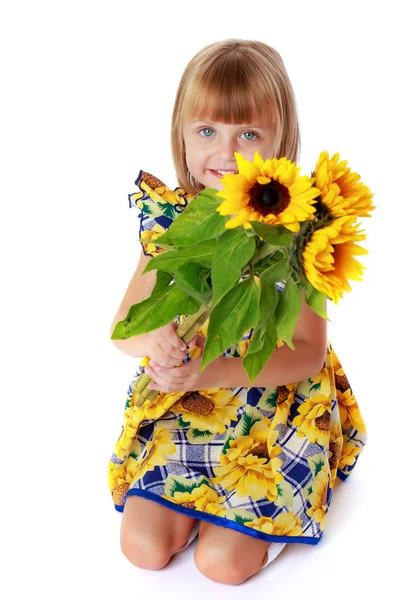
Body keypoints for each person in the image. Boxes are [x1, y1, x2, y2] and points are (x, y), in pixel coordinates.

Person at [109, 38, 367, 586]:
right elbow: (122, 329)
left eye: (248, 134)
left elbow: (304, 352)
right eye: (207, 131)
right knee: (143, 548)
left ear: (280, 139)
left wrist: (211, 370)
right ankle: (201, 507)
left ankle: (265, 520)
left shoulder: (298, 231)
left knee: (220, 565)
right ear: (182, 135)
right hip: (189, 403)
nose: (226, 153)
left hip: (273, 410)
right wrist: (152, 340)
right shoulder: (175, 221)